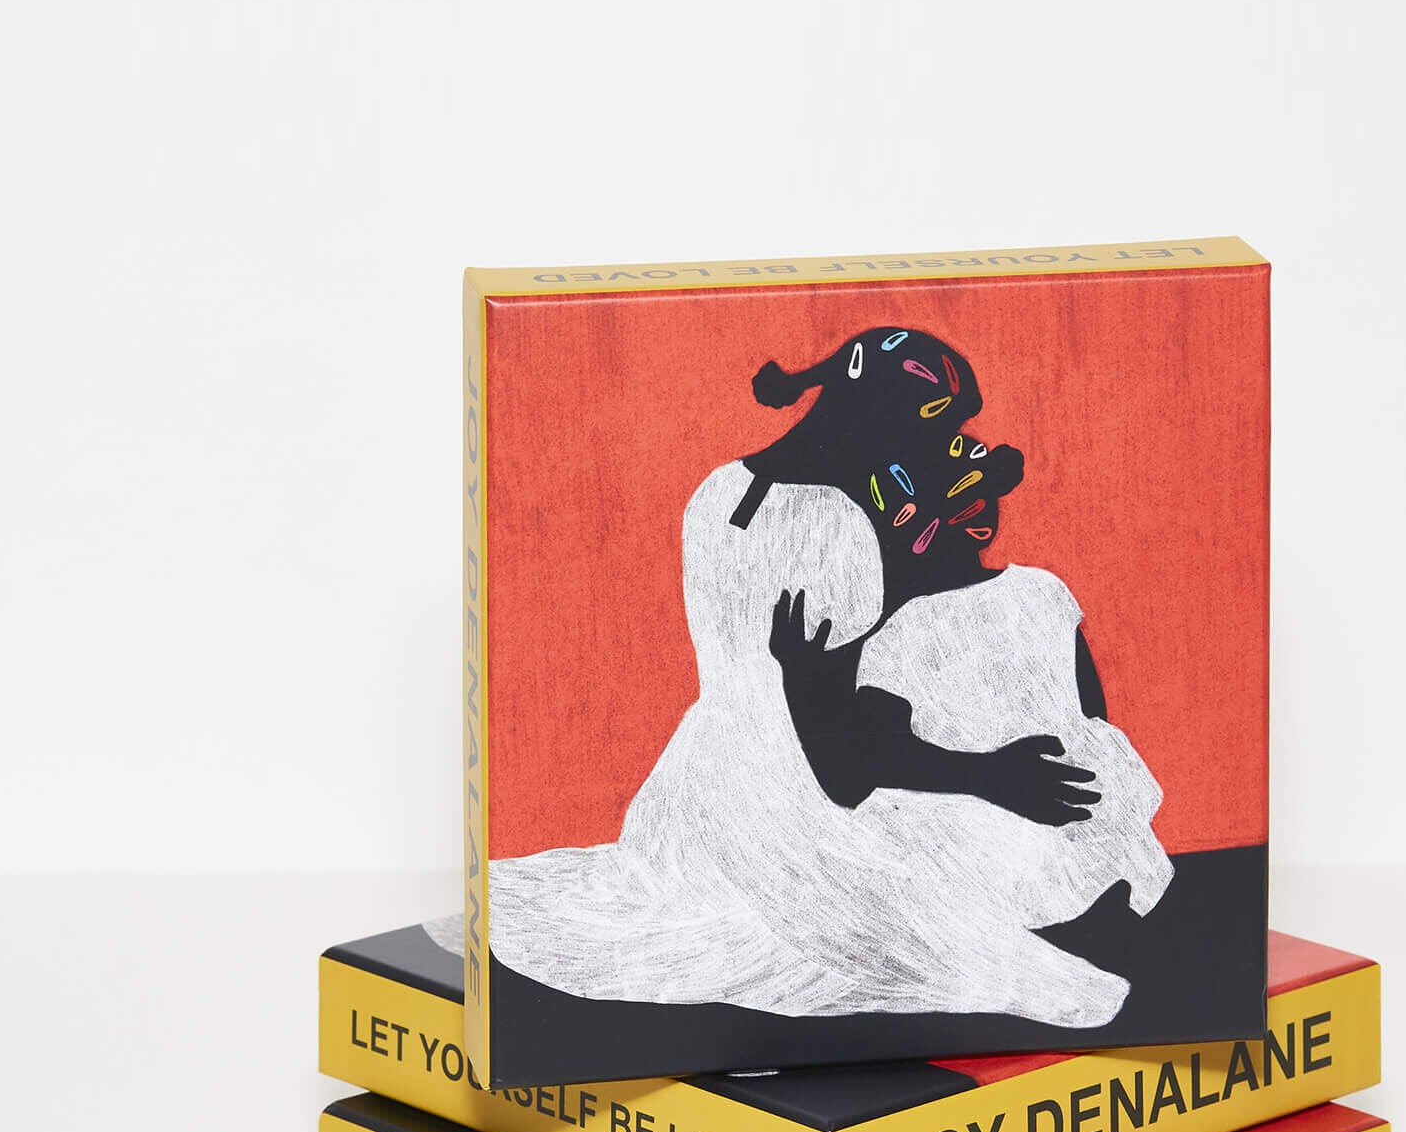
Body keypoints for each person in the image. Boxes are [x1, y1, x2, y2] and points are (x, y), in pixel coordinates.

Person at [486, 328, 1169, 1026]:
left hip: (700, 786)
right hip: (793, 802)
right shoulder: (839, 526)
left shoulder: (720, 489)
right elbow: (839, 765)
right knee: (931, 925)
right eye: (940, 425)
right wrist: (994, 774)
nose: (944, 446)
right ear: (882, 412)